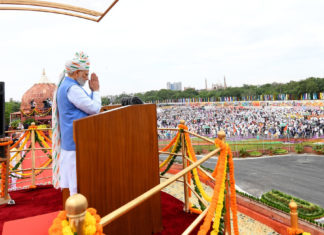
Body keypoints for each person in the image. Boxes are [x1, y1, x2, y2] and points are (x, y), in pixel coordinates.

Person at [52, 51, 101, 196]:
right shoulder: (72, 88)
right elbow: (94, 108)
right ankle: (78, 216)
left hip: (73, 142)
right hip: (76, 144)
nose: (87, 79)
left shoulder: (67, 85)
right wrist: (96, 91)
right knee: (76, 187)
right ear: (77, 73)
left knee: (75, 185)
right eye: (85, 75)